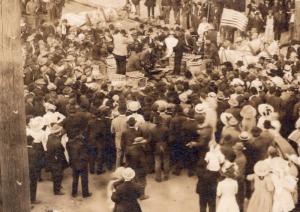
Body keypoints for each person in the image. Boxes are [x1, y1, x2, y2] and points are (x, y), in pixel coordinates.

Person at [66, 132, 92, 198]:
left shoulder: (69, 143)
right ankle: (85, 193)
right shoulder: (84, 144)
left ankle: (74, 193)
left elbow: (69, 153)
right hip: (83, 163)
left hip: (74, 163)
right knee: (84, 179)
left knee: (75, 179)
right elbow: (88, 153)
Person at [46, 124, 68, 195]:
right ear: (59, 133)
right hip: (57, 160)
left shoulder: (50, 137)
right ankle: (57, 190)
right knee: (58, 174)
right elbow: (61, 150)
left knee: (54, 174)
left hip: (50, 158)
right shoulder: (57, 143)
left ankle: (57, 186)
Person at [27, 135, 40, 204]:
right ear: (31, 142)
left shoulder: (24, 150)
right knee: (33, 184)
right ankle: (33, 199)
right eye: (33, 141)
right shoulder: (32, 151)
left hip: (27, 170)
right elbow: (34, 163)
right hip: (32, 170)